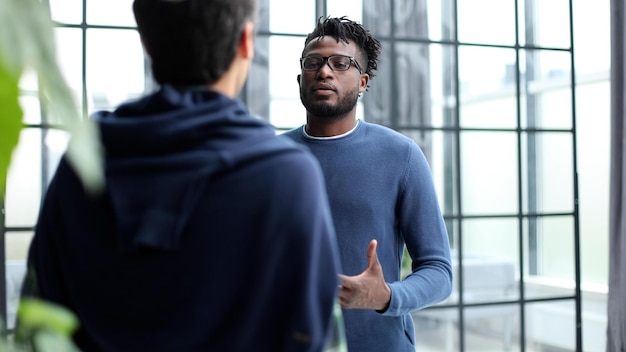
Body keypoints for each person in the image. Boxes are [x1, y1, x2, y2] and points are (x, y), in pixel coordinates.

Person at [19, 1, 343, 351]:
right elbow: (314, 335)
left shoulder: (84, 162)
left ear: (145, 41)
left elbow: (38, 320)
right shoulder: (288, 177)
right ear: (246, 41)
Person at [283, 16, 453, 352]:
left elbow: (439, 271)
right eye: (313, 62)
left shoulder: (400, 155)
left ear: (362, 82)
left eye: (340, 63)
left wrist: (387, 296)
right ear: (300, 77)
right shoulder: (271, 158)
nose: (325, 71)